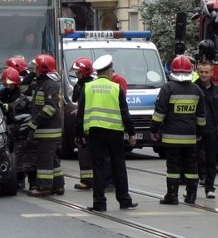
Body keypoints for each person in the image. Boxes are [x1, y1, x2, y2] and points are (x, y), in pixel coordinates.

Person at [77, 54, 138, 212]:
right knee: (119, 165)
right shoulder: (115, 88)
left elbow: (80, 113)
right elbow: (125, 113)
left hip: (95, 131)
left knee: (98, 167)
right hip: (114, 132)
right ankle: (124, 200)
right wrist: (132, 133)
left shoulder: (88, 87)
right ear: (110, 72)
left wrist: (79, 135)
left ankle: (99, 203)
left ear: (98, 73)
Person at [150, 55, 205, 205]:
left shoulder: (167, 88)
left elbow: (159, 113)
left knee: (173, 166)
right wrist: (199, 133)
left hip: (171, 137)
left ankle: (172, 195)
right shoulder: (197, 90)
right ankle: (191, 196)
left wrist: (153, 130)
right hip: (190, 137)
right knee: (191, 166)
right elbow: (201, 117)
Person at [26, 53, 65, 197]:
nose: (34, 70)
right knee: (52, 159)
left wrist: (35, 122)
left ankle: (43, 187)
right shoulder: (43, 82)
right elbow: (24, 89)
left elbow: (50, 107)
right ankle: (58, 186)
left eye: (36, 67)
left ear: (43, 68)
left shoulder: (50, 84)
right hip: (47, 129)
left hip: (48, 129)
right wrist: (30, 76)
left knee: (45, 160)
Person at [194, 59, 218, 199]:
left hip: (212, 129)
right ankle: (192, 186)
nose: (204, 75)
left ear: (212, 72)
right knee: (196, 158)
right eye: (201, 72)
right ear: (197, 72)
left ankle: (210, 188)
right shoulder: (193, 88)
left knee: (211, 159)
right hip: (196, 130)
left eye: (206, 72)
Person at [71, 57, 97, 190]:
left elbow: (81, 109)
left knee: (84, 153)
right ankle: (94, 180)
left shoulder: (84, 87)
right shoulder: (91, 85)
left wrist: (78, 133)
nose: (77, 75)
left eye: (78, 73)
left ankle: (87, 180)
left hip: (86, 124)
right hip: (95, 124)